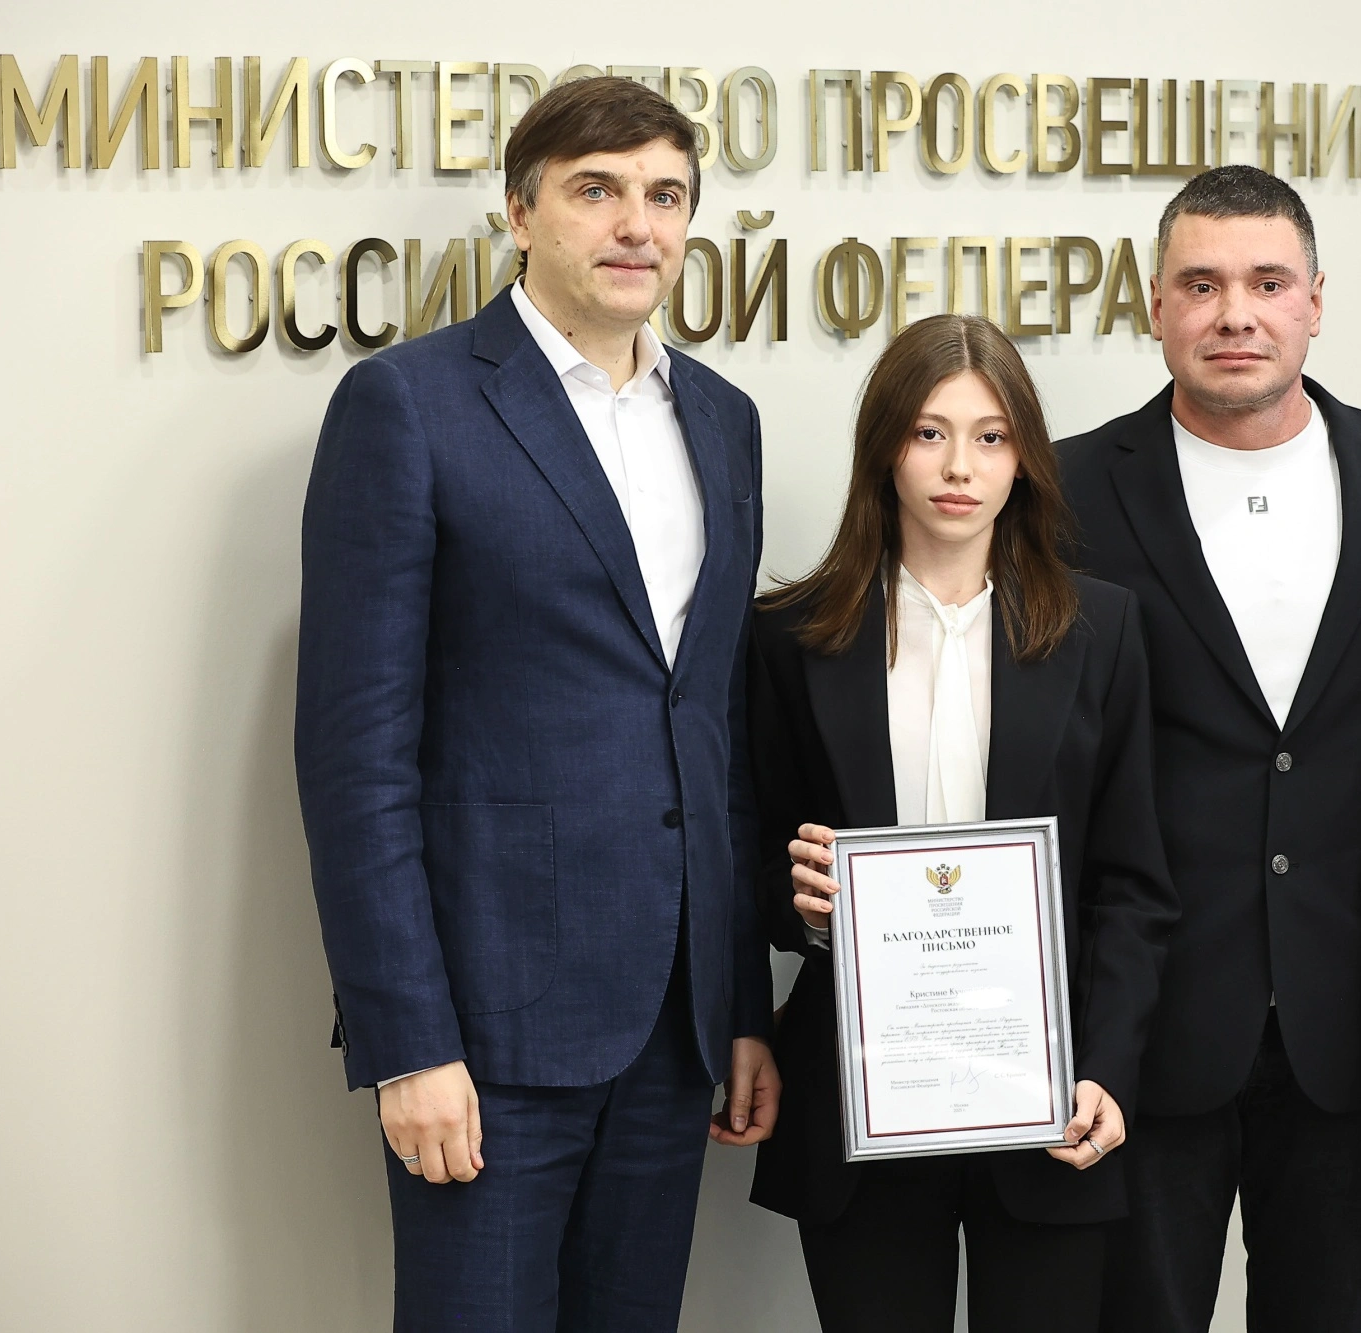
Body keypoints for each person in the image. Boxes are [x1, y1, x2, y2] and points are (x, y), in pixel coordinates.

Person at [293, 76, 777, 1331]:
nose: (635, 224)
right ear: (519, 212)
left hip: (672, 1029)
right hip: (486, 1031)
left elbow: (714, 736)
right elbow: (356, 758)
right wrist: (407, 1040)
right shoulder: (409, 406)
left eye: (663, 195)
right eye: (595, 190)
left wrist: (737, 1005)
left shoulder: (722, 421)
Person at [1061, 165, 1361, 1332]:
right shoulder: (1065, 488)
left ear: (1314, 301)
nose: (1232, 313)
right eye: (1199, 284)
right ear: (1154, 305)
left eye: (1265, 282)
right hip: (1142, 1030)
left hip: (1353, 1030)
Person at [745, 314, 1180, 1333]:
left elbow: (1131, 884)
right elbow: (749, 861)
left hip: (1044, 1094)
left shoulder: (1101, 629)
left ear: (1023, 458)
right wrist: (803, 905)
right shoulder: (790, 636)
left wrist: (1104, 1067)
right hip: (863, 1096)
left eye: (990, 437)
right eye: (928, 433)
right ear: (883, 447)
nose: (958, 467)